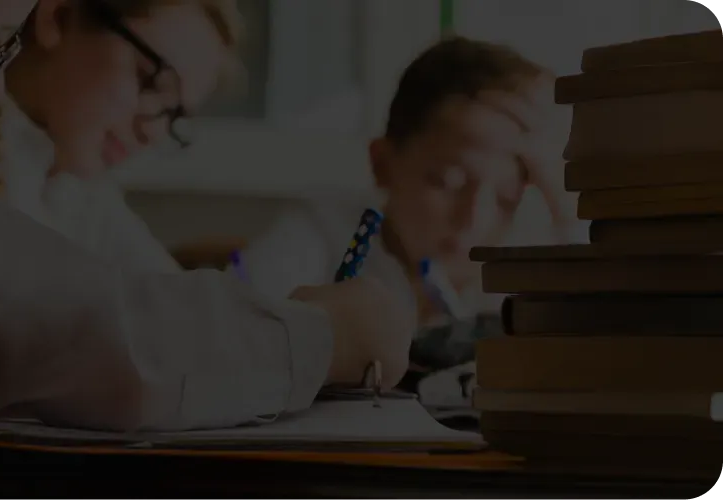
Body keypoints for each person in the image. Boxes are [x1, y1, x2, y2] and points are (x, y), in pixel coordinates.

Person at [0, 0, 416, 431]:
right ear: (58, 17)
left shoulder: (74, 190)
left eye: (172, 115)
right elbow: (86, 335)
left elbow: (166, 305)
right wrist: (321, 338)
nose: (151, 130)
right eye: (150, 81)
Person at [229, 37, 585, 407]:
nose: (473, 219)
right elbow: (229, 331)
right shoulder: (324, 231)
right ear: (383, 163)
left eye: (506, 197)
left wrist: (565, 206)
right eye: (447, 182)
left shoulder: (527, 268)